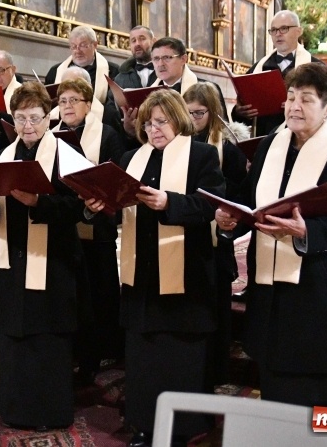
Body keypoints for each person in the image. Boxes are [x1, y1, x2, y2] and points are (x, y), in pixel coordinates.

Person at [217, 63, 327, 409]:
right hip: (272, 293)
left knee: (319, 395)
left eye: (306, 99)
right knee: (275, 387)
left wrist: (307, 231)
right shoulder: (272, 144)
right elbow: (250, 198)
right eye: (290, 98)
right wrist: (231, 218)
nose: (294, 107)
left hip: (319, 288)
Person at [85, 89, 225, 446]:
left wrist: (169, 202)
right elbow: (121, 207)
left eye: (161, 121)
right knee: (144, 355)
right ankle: (144, 423)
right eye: (147, 122)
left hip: (185, 273)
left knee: (178, 356)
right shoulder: (133, 157)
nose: (153, 128)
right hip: (142, 273)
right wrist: (102, 205)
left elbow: (209, 206)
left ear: (178, 119)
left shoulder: (202, 155)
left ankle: (181, 428)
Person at [0, 82, 85, 430]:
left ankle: (49, 411)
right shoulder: (3, 156)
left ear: (48, 117)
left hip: (53, 262)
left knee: (47, 336)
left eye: (35, 118)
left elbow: (78, 209)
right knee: (14, 333)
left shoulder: (67, 155)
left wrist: (40, 202)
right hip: (12, 263)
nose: (27, 126)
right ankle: (15, 408)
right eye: (20, 118)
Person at [53, 78, 125, 383]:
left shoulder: (108, 134)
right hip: (65, 228)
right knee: (72, 295)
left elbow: (117, 177)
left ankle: (95, 356)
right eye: (63, 101)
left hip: (99, 228)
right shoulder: (52, 136)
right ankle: (73, 352)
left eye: (74, 100)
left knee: (99, 293)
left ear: (88, 104)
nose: (67, 106)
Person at [182, 82, 248, 387]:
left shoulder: (228, 150)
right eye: (189, 112)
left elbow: (238, 194)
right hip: (184, 234)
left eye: (200, 112)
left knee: (216, 308)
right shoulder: (178, 145)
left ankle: (215, 371)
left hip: (217, 239)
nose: (194, 118)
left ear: (213, 113)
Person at [232, 10, 322, 136]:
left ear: (298, 31)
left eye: (284, 29)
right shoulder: (257, 68)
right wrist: (240, 112)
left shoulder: (317, 68)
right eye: (273, 30)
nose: (278, 34)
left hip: (301, 139)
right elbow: (242, 116)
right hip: (264, 139)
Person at [45, 25, 120, 122]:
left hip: (100, 122)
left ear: (95, 45)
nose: (77, 51)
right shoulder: (55, 71)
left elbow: (114, 105)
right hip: (63, 123)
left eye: (83, 45)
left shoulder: (112, 71)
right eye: (73, 46)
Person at [115, 25, 156, 89]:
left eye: (142, 39)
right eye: (133, 41)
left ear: (153, 42)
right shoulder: (120, 78)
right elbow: (112, 98)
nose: (137, 44)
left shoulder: (167, 71)